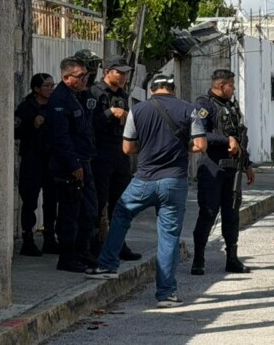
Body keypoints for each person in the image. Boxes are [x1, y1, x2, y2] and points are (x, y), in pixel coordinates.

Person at [86, 74, 207, 309]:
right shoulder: (189, 110)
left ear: (152, 90)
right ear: (173, 89)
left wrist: (148, 148)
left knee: (121, 214)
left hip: (144, 179)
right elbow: (201, 145)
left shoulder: (138, 110)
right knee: (169, 236)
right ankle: (166, 294)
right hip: (174, 181)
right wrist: (181, 148)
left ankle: (108, 264)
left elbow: (127, 148)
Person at [191, 69, 256, 276]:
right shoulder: (204, 105)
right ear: (221, 85)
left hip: (233, 170)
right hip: (212, 167)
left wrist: (247, 163)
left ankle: (232, 258)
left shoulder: (232, 106)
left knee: (232, 215)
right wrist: (226, 140)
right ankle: (198, 259)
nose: (234, 89)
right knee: (208, 213)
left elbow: (239, 135)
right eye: (231, 86)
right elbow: (200, 134)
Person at [48, 57, 98, 272]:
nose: (85, 79)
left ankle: (82, 252)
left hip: (83, 162)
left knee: (88, 211)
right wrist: (74, 164)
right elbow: (61, 138)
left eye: (86, 75)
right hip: (70, 165)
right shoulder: (59, 100)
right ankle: (67, 258)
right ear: (67, 78)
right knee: (70, 213)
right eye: (80, 76)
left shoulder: (77, 96)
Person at [90, 55, 141, 261]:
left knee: (121, 202)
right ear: (107, 72)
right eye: (119, 72)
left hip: (119, 153)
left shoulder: (123, 94)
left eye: (125, 73)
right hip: (100, 153)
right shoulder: (94, 92)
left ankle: (119, 243)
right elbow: (90, 123)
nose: (123, 77)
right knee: (98, 202)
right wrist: (110, 112)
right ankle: (93, 245)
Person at [15, 73, 57, 256]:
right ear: (37, 89)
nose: (50, 89)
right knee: (30, 200)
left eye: (52, 85)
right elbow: (15, 131)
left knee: (51, 201)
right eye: (47, 86)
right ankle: (28, 240)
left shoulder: (55, 107)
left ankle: (49, 238)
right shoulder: (26, 108)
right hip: (32, 160)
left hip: (51, 159)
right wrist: (32, 125)